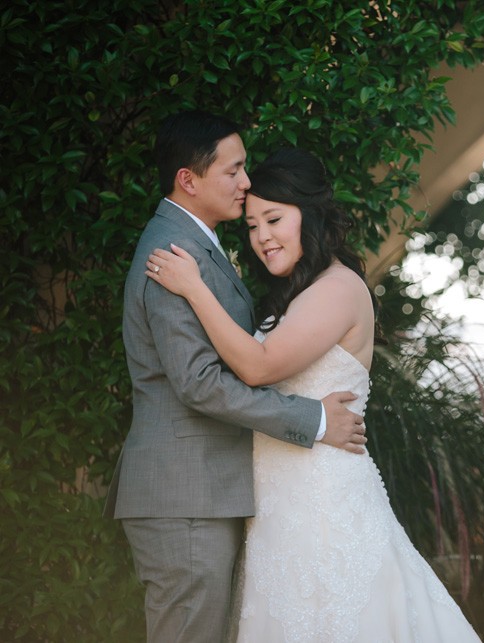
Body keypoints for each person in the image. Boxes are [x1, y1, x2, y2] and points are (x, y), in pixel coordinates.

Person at [144, 147, 481, 642]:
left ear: (312, 212)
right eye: (253, 225)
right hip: (281, 511)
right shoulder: (297, 296)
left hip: (324, 510)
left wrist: (195, 288)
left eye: (274, 219)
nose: (262, 237)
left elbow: (257, 367)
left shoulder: (338, 288)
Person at [104, 111, 367, 643]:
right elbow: (199, 381)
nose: (246, 185)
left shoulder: (195, 246)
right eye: (234, 170)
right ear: (189, 179)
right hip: (186, 500)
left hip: (207, 495)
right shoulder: (171, 253)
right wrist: (312, 418)